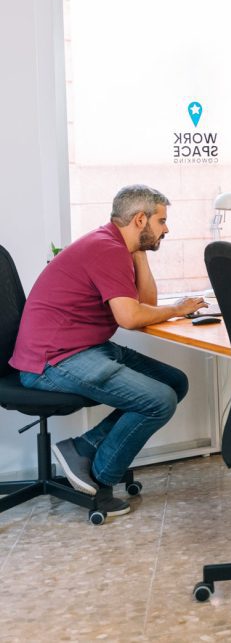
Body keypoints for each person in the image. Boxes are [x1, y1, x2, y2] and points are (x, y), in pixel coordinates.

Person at [10, 184, 207, 518]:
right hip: (52, 362)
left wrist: (141, 252)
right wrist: (177, 309)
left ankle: (82, 448)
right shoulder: (106, 249)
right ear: (140, 219)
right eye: (161, 221)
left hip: (82, 349)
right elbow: (130, 317)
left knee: (175, 382)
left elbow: (145, 304)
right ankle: (101, 481)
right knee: (159, 401)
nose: (167, 229)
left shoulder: (117, 245)